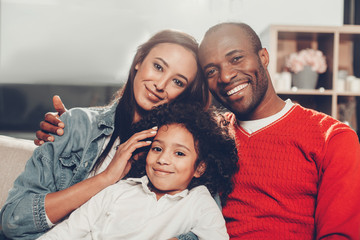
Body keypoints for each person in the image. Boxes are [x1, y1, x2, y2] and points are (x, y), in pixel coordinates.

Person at [36, 22, 360, 240]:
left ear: (263, 57)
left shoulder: (332, 138)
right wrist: (71, 129)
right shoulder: (206, 135)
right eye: (212, 70)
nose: (227, 76)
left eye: (236, 59)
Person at [0, 29, 210, 240]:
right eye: (158, 67)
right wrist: (106, 178)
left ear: (185, 93)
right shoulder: (77, 126)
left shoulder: (179, 155)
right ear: (139, 61)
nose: (160, 85)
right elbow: (13, 221)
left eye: (178, 82)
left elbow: (206, 228)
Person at [37, 102, 238, 240]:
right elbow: (67, 231)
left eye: (179, 153)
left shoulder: (199, 202)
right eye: (157, 149)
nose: (163, 159)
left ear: (200, 168)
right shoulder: (119, 191)